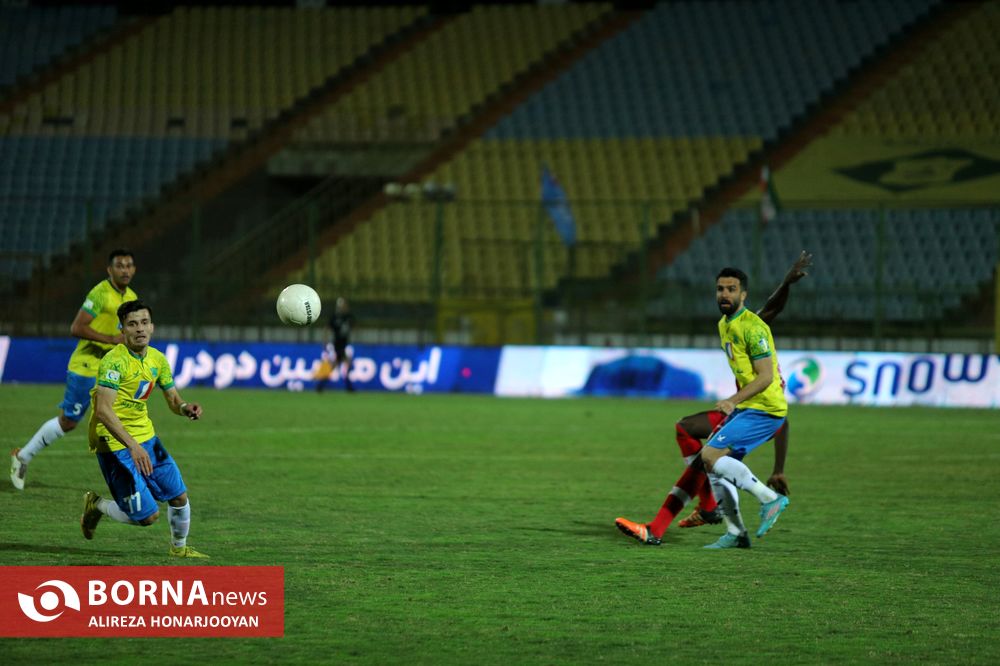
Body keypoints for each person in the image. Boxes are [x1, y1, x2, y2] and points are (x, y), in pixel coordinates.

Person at [616, 252, 810, 546]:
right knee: (709, 461)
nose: (724, 294)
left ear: (743, 294)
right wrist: (786, 283)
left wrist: (778, 466)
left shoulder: (754, 328)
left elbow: (768, 384)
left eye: (732, 289)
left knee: (706, 459)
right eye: (720, 289)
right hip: (747, 407)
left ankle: (761, 500)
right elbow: (771, 307)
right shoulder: (727, 324)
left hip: (757, 408)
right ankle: (733, 531)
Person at [79, 299, 208, 558]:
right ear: (122, 329)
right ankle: (97, 505)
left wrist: (185, 408)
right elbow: (103, 410)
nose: (140, 328)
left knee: (179, 496)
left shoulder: (158, 359)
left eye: (144, 322)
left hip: (147, 438)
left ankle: (179, 549)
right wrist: (133, 446)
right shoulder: (114, 362)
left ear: (152, 327)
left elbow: (173, 399)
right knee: (148, 517)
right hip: (114, 443)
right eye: (132, 324)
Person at [10, 249, 137, 490]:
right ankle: (23, 456)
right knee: (69, 421)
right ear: (109, 270)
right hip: (86, 365)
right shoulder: (100, 293)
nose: (125, 270)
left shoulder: (131, 297)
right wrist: (111, 340)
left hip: (110, 369)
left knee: (117, 419)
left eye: (129, 265)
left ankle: (128, 476)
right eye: (120, 265)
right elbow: (77, 327)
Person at [317, 297, 355, 393]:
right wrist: (325, 341)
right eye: (342, 306)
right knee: (344, 364)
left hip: (345, 345)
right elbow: (326, 329)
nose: (344, 307)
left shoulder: (348, 317)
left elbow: (354, 327)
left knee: (337, 365)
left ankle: (321, 386)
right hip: (338, 345)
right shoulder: (334, 317)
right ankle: (349, 387)